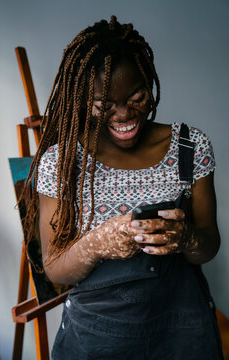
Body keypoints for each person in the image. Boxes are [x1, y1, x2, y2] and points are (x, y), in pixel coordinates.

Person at [24, 15, 223, 360]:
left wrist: (186, 237)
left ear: (150, 83)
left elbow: (208, 245)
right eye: (104, 105)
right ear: (84, 100)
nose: (123, 115)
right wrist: (97, 244)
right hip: (95, 338)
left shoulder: (190, 147)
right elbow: (54, 267)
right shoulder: (60, 163)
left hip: (182, 332)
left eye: (136, 96)